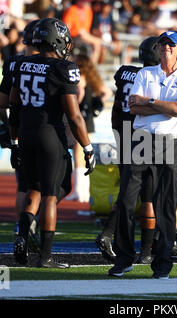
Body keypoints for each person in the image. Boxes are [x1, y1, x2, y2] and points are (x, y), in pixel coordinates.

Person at [108, 30, 177, 278]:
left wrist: (152, 101)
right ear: (157, 48)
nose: (166, 47)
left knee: (165, 206)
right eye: (163, 43)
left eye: (171, 44)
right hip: (141, 139)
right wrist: (159, 105)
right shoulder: (144, 73)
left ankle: (162, 263)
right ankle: (124, 258)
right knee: (126, 200)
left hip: (171, 142)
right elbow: (133, 105)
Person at [9, 17, 96, 268]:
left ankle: (23, 233)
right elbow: (74, 115)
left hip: (26, 133)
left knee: (35, 189)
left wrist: (14, 140)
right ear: (56, 41)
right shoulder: (62, 68)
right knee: (50, 194)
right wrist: (87, 147)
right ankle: (45, 256)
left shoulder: (21, 64)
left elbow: (14, 105)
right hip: (50, 134)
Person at [95, 36, 160, 264]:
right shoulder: (155, 77)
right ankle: (146, 250)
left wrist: (117, 132)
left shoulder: (125, 72)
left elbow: (115, 109)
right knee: (148, 197)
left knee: (127, 192)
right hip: (144, 137)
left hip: (124, 135)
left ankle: (108, 233)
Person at [0, 19, 41, 250]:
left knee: (23, 184)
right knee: (46, 187)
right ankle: (31, 226)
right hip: (43, 129)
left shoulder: (14, 63)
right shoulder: (50, 63)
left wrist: (9, 125)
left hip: (20, 129)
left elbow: (3, 101)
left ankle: (20, 228)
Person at [67, 54, 112, 203]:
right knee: (81, 155)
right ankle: (81, 191)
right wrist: (97, 103)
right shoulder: (92, 79)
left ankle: (81, 192)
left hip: (81, 120)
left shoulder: (79, 80)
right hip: (88, 120)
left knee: (79, 156)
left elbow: (77, 97)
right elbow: (107, 91)